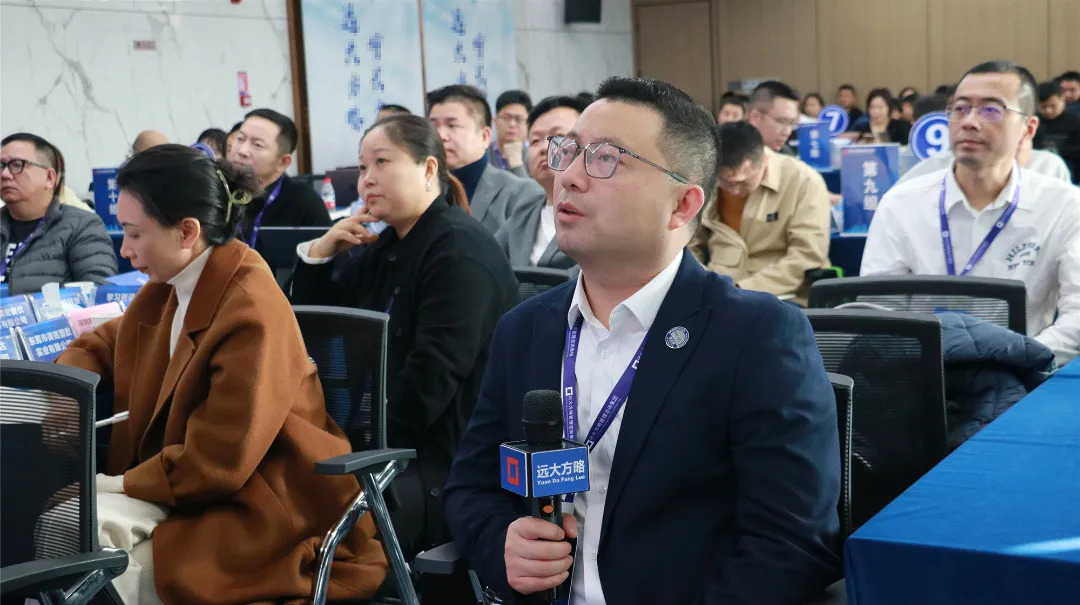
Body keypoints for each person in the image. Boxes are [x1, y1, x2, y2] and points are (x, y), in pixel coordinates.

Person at [445, 76, 842, 604]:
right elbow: (471, 487)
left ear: (682, 205)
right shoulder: (525, 329)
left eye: (606, 159)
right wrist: (503, 545)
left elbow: (791, 543)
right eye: (569, 152)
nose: (569, 177)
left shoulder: (756, 336)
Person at [55, 144, 388, 603]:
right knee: (64, 526)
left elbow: (218, 462)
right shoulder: (171, 284)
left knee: (82, 537)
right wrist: (64, 391)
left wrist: (110, 483)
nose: (125, 250)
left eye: (134, 234)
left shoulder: (249, 307)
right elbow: (103, 343)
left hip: (262, 501)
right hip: (194, 483)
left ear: (187, 231)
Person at [290, 115, 519, 558]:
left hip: (442, 463)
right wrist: (320, 254)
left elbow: (430, 382)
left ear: (428, 168)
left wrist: (354, 447)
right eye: (362, 167)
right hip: (384, 449)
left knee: (292, 518)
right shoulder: (387, 246)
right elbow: (318, 335)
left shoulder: (459, 252)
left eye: (382, 162)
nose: (367, 180)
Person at [862, 60, 1080, 364]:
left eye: (991, 110)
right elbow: (878, 313)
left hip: (1023, 375)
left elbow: (1076, 316)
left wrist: (1021, 357)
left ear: (1027, 129)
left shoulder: (1064, 205)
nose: (969, 122)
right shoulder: (901, 203)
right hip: (921, 373)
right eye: (960, 108)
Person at [691, 121, 831, 305]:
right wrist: (700, 282)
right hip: (718, 289)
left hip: (781, 294)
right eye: (725, 183)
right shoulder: (706, 181)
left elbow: (807, 256)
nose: (733, 190)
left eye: (742, 182)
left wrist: (741, 290)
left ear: (764, 160)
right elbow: (689, 243)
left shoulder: (804, 181)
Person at [1, 133, 116, 293]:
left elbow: (99, 292)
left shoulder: (82, 226)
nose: (4, 174)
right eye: (1, 165)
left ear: (49, 177)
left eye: (17, 165)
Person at [427, 84, 543, 233]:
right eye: (433, 126)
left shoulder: (521, 194)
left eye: (452, 125)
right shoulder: (422, 191)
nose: (441, 135)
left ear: (484, 136)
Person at [495, 95, 590, 269]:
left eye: (559, 136)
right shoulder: (522, 216)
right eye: (535, 141)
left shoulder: (599, 210)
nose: (544, 148)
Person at [228, 108, 331, 252]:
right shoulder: (216, 189)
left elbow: (325, 258)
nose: (242, 151)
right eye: (240, 139)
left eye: (257, 145)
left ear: (283, 162)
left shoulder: (305, 203)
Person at [1035, 80, 1080, 184]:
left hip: (1071, 172)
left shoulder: (1075, 122)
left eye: (1053, 106)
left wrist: (1058, 151)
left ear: (1062, 99)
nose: (1048, 110)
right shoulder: (1033, 122)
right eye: (1043, 107)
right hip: (1040, 172)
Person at [747, 80, 801, 155]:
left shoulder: (786, 153)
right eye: (782, 121)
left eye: (792, 123)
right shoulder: (733, 153)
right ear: (755, 117)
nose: (787, 132)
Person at [491, 90, 532, 178]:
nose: (512, 124)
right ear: (495, 121)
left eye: (519, 119)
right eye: (506, 118)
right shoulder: (481, 155)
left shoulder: (535, 158)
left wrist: (516, 162)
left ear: (529, 125)